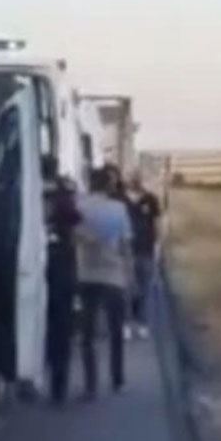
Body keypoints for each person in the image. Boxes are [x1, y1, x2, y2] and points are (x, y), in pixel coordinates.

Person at [75, 167, 133, 395]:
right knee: (115, 330)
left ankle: (90, 384)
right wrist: (130, 275)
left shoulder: (80, 206)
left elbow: (74, 237)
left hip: (87, 273)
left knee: (87, 333)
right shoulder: (118, 209)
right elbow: (125, 245)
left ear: (90, 184)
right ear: (109, 186)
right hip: (113, 274)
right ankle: (117, 378)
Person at [44, 163, 82, 405]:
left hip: (43, 272)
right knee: (61, 334)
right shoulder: (65, 199)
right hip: (64, 274)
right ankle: (59, 387)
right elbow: (77, 220)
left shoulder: (36, 196)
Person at [126, 174, 163, 335]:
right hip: (127, 250)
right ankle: (127, 322)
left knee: (144, 287)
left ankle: (142, 322)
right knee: (127, 288)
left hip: (146, 248)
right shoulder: (122, 200)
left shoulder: (151, 199)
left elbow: (157, 223)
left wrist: (158, 245)